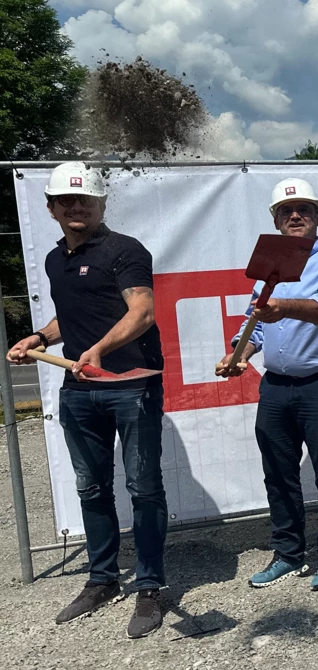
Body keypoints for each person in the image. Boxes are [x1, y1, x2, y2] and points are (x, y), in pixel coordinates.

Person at [6, 162, 167, 638]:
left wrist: (99, 349)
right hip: (79, 391)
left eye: (85, 201)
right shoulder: (57, 259)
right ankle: (102, 580)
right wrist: (38, 336)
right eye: (66, 201)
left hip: (132, 385)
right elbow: (71, 316)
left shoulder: (125, 251)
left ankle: (151, 586)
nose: (76, 208)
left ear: (100, 205)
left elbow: (142, 312)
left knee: (144, 489)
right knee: (91, 488)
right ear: (51, 208)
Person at [215, 178, 318, 591]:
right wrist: (240, 352)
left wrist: (283, 307)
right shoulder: (269, 270)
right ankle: (287, 554)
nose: (295, 215)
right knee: (278, 473)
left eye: (304, 209)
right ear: (276, 220)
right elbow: (254, 323)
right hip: (275, 387)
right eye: (286, 211)